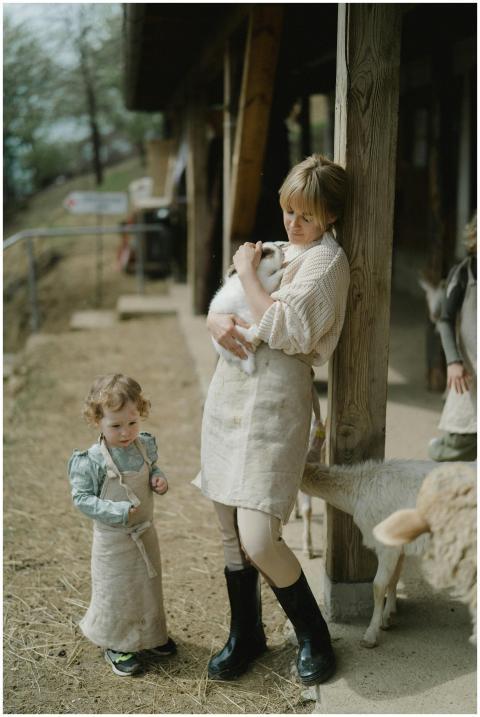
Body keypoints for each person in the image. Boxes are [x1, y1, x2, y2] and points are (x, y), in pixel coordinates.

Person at [195, 154, 350, 685]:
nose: (293, 224)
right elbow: (225, 308)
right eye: (288, 211)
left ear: (329, 215)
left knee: (259, 533)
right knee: (228, 530)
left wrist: (242, 271)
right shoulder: (278, 251)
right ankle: (247, 634)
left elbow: (283, 325)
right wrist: (217, 316)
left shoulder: (327, 264)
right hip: (230, 390)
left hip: (278, 398)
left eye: (306, 215)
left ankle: (312, 634)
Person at [67, 374, 176, 676]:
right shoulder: (91, 461)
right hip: (113, 542)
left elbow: (152, 468)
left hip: (145, 532)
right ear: (97, 421)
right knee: (118, 591)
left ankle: (150, 635)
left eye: (132, 423)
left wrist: (159, 478)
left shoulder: (144, 446)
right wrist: (116, 510)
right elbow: (82, 498)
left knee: (147, 587)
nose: (126, 432)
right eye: (116, 426)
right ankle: (116, 642)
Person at [429, 212, 477, 462]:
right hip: (470, 369)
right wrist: (453, 361)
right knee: (461, 440)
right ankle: (437, 451)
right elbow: (445, 319)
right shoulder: (465, 273)